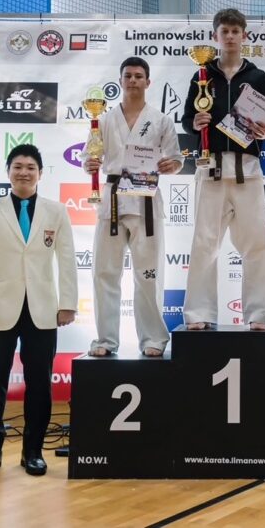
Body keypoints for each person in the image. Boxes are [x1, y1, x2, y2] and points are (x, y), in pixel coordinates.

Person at [0, 144, 78, 478]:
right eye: (18, 167)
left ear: (40, 173)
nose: (24, 172)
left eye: (30, 167)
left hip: (42, 309)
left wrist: (67, 304)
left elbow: (67, 260)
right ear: (8, 172)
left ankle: (33, 451)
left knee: (39, 384)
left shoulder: (56, 211)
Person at [181, 8, 265, 330]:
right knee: (204, 244)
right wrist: (195, 123)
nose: (229, 36)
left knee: (257, 244)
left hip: (247, 170)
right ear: (215, 36)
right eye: (224, 31)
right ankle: (199, 314)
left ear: (244, 36)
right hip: (210, 168)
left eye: (235, 31)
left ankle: (259, 315)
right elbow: (186, 118)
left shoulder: (257, 77)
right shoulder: (202, 75)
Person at [84, 56, 182, 357]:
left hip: (145, 200)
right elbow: (90, 156)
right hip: (112, 199)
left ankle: (153, 338)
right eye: (128, 76)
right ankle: (105, 340)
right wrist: (89, 164)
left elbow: (176, 160)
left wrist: (171, 165)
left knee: (148, 274)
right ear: (120, 81)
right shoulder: (103, 120)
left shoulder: (161, 120)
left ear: (148, 82)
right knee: (105, 273)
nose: (133, 80)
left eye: (139, 76)